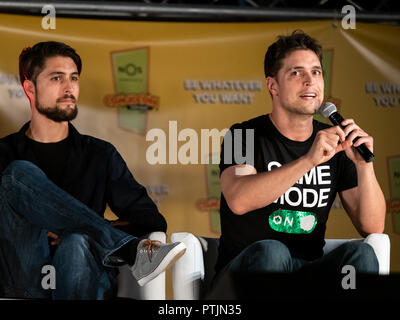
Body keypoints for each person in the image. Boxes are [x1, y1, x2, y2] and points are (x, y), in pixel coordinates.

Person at [0, 41, 186, 299]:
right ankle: (132, 251)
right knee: (16, 174)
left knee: (75, 241)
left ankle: (111, 243)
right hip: (26, 280)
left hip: (85, 275)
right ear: (29, 87)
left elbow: (150, 220)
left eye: (73, 78)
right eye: (56, 78)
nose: (69, 88)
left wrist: (81, 229)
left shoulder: (99, 155)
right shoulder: (3, 153)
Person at [215, 30, 385, 291]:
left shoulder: (335, 142)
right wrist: (308, 161)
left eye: (316, 72)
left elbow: (372, 226)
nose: (310, 81)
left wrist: (364, 166)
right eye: (296, 73)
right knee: (273, 252)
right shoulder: (243, 134)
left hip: (306, 274)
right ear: (273, 86)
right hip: (242, 277)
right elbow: (239, 199)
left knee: (362, 256)